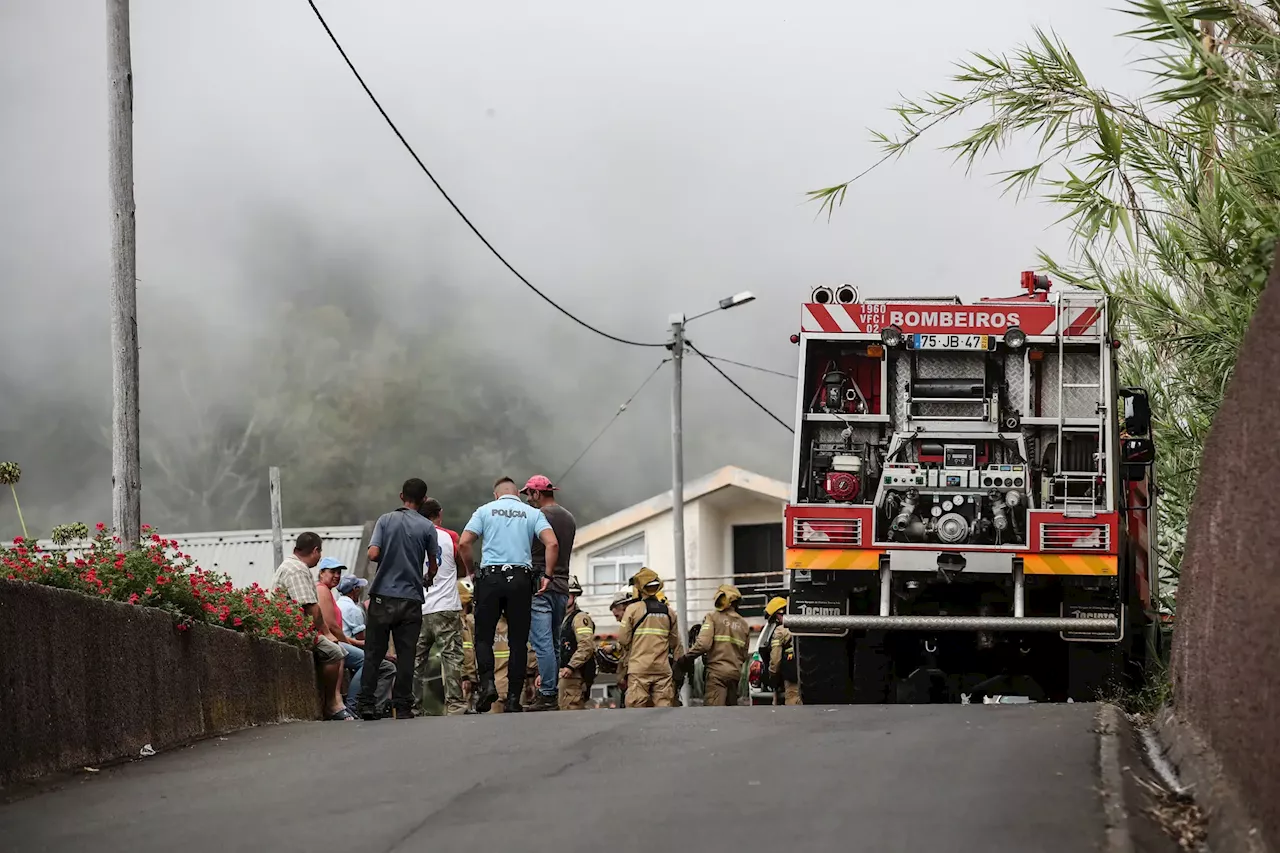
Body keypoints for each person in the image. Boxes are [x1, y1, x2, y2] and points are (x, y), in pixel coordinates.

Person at [459, 477, 558, 714]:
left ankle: (488, 686)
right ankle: (514, 697)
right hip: (521, 579)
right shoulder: (531, 513)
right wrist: (548, 575)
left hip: (490, 578)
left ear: (496, 495)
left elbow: (464, 543)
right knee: (517, 641)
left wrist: (471, 571)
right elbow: (552, 544)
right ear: (517, 494)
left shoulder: (484, 511)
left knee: (483, 637)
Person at [357, 478, 440, 721]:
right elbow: (433, 566)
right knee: (407, 654)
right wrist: (426, 577)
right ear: (424, 499)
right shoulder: (427, 527)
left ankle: (367, 704)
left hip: (383, 596)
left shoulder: (385, 520)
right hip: (411, 599)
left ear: (401, 495)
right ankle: (403, 706)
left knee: (374, 652)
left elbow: (373, 554)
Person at [272, 532, 349, 721]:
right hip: (293, 629)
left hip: (294, 625)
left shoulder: (292, 565)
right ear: (315, 551)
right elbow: (311, 606)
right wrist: (326, 633)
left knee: (340, 650)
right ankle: (331, 703)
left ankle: (337, 702)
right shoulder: (297, 569)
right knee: (334, 652)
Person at [521, 475, 577, 712]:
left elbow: (530, 547)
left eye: (529, 494)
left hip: (541, 584)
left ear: (537, 493)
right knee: (553, 642)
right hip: (562, 587)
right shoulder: (569, 517)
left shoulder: (538, 517)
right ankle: (550, 692)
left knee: (542, 642)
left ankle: (547, 694)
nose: (528, 499)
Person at [414, 498, 468, 716]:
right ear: (440, 514)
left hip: (418, 608)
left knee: (416, 660)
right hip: (446, 607)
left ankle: (413, 706)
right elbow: (462, 569)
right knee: (451, 656)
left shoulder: (411, 537)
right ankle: (455, 705)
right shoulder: (450, 536)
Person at [616, 568, 683, 708]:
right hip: (662, 670)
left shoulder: (633, 609)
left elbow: (623, 639)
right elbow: (676, 643)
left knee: (636, 713)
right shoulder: (669, 612)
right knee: (663, 712)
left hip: (639, 670)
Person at [681, 584, 750, 707]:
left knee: (714, 717)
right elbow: (744, 655)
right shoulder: (744, 624)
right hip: (734, 675)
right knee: (731, 717)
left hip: (716, 675)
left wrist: (686, 658)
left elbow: (703, 644)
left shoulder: (712, 618)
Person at [335, 574, 395, 713]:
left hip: (344, 646)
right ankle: (371, 706)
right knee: (388, 668)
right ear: (354, 590)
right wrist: (384, 655)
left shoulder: (338, 604)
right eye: (359, 588)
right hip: (350, 649)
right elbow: (365, 642)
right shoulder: (353, 610)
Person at [557, 576, 596, 710]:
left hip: (573, 676)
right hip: (559, 675)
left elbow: (586, 646)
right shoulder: (558, 619)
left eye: (567, 595)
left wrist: (571, 666)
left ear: (574, 597)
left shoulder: (580, 618)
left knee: (570, 714)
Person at [765, 597, 801, 705]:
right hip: (812, 672)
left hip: (793, 674)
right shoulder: (805, 624)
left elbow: (775, 659)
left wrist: (772, 675)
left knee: (793, 703)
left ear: (778, 615)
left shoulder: (780, 631)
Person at [458, 580, 478, 712]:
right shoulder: (457, 624)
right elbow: (464, 652)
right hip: (461, 680)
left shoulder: (468, 621)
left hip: (470, 678)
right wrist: (466, 677)